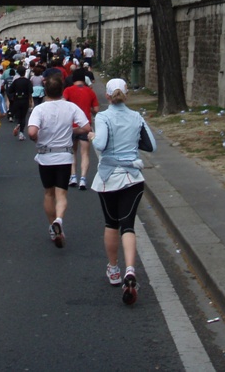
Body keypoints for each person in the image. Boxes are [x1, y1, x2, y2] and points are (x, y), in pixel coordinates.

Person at [90, 78, 157, 305]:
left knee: (111, 223)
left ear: (107, 96)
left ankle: (114, 269)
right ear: (126, 94)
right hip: (133, 177)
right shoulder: (136, 117)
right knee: (128, 224)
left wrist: (91, 136)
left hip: (109, 177)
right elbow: (151, 146)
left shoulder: (103, 117)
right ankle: (130, 268)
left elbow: (100, 144)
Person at [27, 76, 91, 249]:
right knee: (61, 194)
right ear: (62, 90)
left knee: (48, 193)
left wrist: (37, 138)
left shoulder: (39, 109)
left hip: (45, 156)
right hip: (64, 156)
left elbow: (32, 132)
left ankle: (52, 226)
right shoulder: (71, 107)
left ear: (46, 91)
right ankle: (59, 219)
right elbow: (86, 128)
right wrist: (71, 130)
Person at [63, 74, 100, 190]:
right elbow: (96, 110)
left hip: (71, 126)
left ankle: (73, 176)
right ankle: (83, 179)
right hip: (85, 126)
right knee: (85, 153)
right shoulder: (90, 92)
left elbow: (63, 106)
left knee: (72, 152)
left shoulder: (68, 90)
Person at [7, 66, 32, 141]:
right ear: (25, 73)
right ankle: (21, 133)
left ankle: (18, 124)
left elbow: (10, 90)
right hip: (25, 100)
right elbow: (31, 91)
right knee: (23, 116)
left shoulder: (16, 81)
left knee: (18, 115)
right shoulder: (27, 81)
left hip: (17, 100)